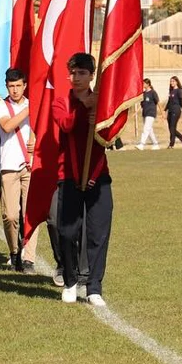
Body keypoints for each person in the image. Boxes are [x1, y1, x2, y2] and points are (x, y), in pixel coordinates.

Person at [53, 53, 113, 306]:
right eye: (73, 73)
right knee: (67, 232)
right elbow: (65, 125)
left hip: (98, 177)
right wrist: (83, 108)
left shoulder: (101, 101)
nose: (76, 78)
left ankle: (94, 287)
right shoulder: (61, 102)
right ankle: (70, 280)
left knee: (98, 233)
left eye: (82, 73)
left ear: (92, 75)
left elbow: (111, 135)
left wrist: (100, 119)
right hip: (69, 177)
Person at [0, 69, 32, 271]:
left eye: (18, 85)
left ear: (25, 85)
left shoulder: (33, 103)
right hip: (8, 166)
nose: (15, 90)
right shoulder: (0, 105)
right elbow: (7, 127)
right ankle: (14, 250)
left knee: (30, 213)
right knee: (10, 215)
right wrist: (28, 111)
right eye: (11, 86)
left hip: (30, 166)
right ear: (7, 86)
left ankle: (29, 258)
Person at [136, 78, 160, 150]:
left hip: (151, 113)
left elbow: (158, 102)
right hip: (145, 113)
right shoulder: (143, 94)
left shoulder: (153, 92)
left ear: (148, 84)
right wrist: (136, 112)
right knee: (149, 130)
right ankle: (155, 144)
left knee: (146, 129)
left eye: (144, 83)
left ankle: (142, 144)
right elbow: (142, 105)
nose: (143, 85)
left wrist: (162, 113)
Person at [166, 76, 182, 148]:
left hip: (176, 110)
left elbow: (181, 102)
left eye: (173, 81)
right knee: (171, 128)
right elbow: (169, 102)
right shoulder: (171, 91)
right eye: (171, 81)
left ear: (176, 82)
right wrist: (164, 110)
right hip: (170, 111)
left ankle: (171, 144)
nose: (172, 83)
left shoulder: (179, 91)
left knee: (172, 128)